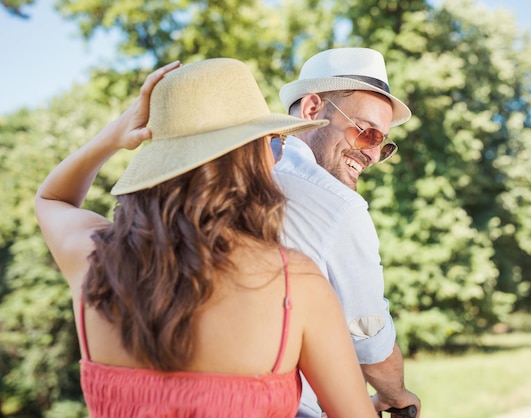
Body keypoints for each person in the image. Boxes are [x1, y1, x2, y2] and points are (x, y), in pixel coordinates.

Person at [35, 58, 379, 418]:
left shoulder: (94, 259)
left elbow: (51, 199)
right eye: (273, 142)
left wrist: (117, 134)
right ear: (249, 159)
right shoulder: (295, 282)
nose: (276, 158)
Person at [274, 47, 421, 417]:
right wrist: (396, 394)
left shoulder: (234, 171)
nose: (372, 155)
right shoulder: (339, 206)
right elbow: (368, 337)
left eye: (382, 144)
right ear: (312, 110)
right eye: (367, 132)